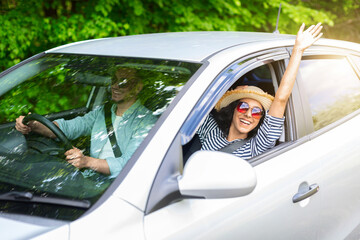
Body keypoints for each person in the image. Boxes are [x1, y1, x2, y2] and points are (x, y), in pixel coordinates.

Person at [197, 23, 323, 159]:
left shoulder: (257, 146)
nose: (248, 114)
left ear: (260, 119)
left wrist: (298, 50)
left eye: (257, 112)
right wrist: (229, 92)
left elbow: (281, 99)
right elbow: (197, 102)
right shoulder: (212, 131)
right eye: (243, 106)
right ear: (233, 109)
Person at [15, 67, 157, 178]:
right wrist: (35, 125)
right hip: (91, 177)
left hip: (116, 185)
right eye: (114, 80)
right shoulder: (103, 112)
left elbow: (128, 165)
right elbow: (69, 128)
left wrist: (87, 162)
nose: (115, 86)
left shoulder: (147, 121)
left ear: (138, 87)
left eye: (123, 82)